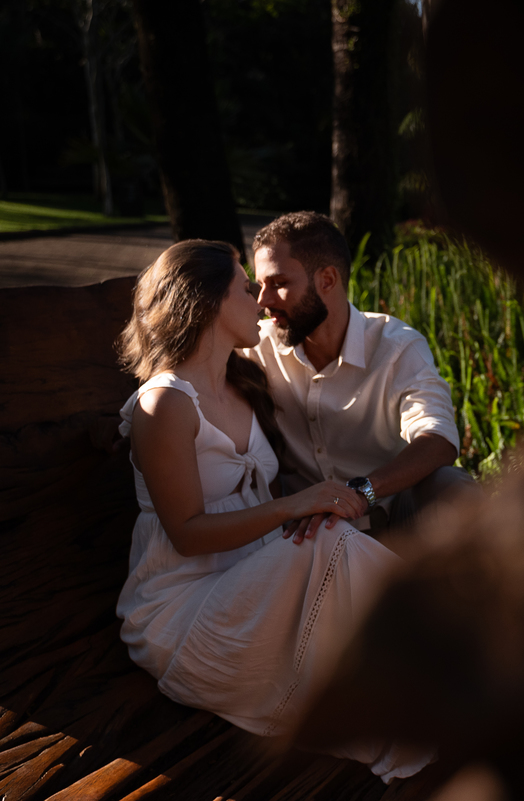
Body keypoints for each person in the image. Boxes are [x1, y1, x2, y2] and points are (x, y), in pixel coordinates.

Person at [116, 239, 430, 783]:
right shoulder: (164, 402)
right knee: (330, 539)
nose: (260, 302)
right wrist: (296, 504)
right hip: (184, 611)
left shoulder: (241, 382)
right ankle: (466, 656)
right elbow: (187, 534)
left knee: (328, 535)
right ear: (209, 303)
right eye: (246, 289)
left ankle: (452, 665)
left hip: (252, 582)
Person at [246, 211, 476, 543]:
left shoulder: (396, 346)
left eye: (279, 284)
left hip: (395, 519)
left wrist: (360, 492)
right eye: (260, 285)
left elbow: (438, 438)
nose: (263, 301)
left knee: (452, 486)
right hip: (308, 535)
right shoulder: (256, 348)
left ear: (327, 280)